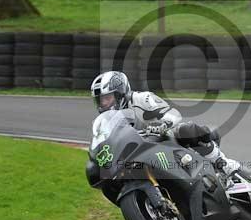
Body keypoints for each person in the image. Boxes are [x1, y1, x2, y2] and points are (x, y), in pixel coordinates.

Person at [90, 71, 241, 180]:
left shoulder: (142, 99)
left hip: (164, 138)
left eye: (107, 99)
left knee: (186, 129)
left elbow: (173, 114)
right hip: (142, 151)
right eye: (100, 101)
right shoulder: (109, 121)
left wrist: (162, 124)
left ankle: (222, 163)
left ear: (120, 93)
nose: (103, 104)